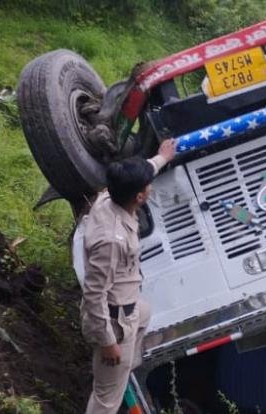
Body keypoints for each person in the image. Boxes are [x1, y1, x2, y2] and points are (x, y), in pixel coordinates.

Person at [80, 139, 176, 414]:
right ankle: (115, 364)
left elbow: (140, 172)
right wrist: (109, 342)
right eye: (147, 186)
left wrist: (162, 157)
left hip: (130, 309)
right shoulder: (111, 240)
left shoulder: (110, 195)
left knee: (144, 312)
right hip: (114, 320)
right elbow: (94, 294)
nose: (150, 185)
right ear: (139, 197)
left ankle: (125, 364)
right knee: (106, 400)